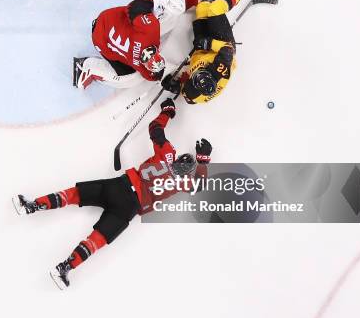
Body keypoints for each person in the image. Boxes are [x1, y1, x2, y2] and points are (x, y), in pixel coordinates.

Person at [12, 98, 212, 290]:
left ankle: (32, 205)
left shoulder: (168, 153)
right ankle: (64, 268)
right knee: (97, 239)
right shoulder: (183, 183)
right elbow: (200, 186)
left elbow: (155, 129)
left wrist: (166, 112)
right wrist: (204, 161)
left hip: (120, 186)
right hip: (130, 208)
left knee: (74, 194)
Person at [73, 0, 202, 89]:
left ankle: (169, 2)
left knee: (154, 17)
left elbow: (135, 7)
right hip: (103, 37)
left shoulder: (148, 33)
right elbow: (154, 76)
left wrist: (158, 1)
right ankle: (88, 67)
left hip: (103, 32)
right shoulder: (142, 64)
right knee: (129, 79)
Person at [162, 0, 246, 104]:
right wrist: (208, 44)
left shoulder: (193, 94)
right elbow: (227, 51)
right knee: (214, 10)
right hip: (223, 45)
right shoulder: (220, 71)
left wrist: (175, 86)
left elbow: (185, 93)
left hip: (202, 51)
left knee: (202, 8)